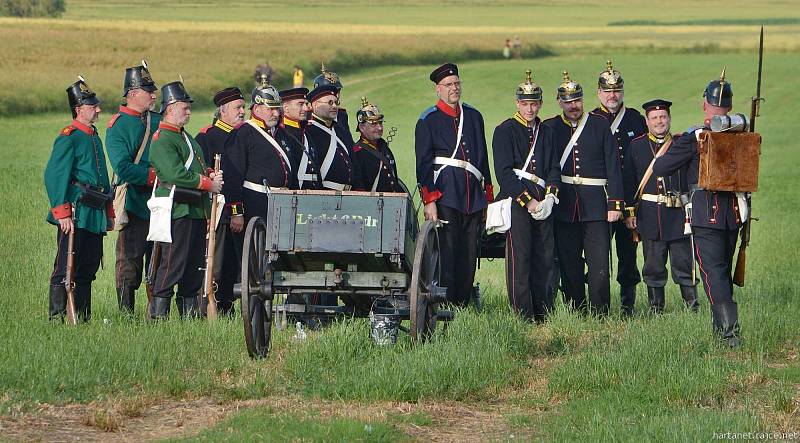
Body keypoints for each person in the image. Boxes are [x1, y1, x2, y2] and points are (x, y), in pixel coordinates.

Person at [652, 70, 744, 347]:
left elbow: (660, 167)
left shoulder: (695, 137)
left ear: (705, 103)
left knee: (712, 272)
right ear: (728, 105)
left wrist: (681, 145)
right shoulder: (744, 135)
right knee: (722, 270)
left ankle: (729, 334)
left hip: (706, 214)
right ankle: (723, 331)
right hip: (735, 213)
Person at [542, 71, 624, 316]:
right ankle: (576, 310)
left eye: (577, 100)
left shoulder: (599, 125)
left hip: (597, 205)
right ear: (559, 102)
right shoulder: (550, 127)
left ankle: (601, 313)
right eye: (568, 102)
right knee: (569, 263)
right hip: (564, 204)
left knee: (599, 264)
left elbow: (613, 166)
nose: (573, 106)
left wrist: (615, 204)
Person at [415, 63, 494, 307]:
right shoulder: (428, 119)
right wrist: (430, 201)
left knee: (470, 253)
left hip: (472, 196)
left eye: (457, 83)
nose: (454, 88)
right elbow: (424, 163)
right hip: (446, 194)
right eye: (449, 85)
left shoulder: (474, 116)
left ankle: (462, 302)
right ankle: (446, 305)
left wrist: (488, 197)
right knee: (447, 252)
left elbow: (482, 158)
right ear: (438, 90)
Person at [148, 80, 223, 319]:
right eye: (184, 107)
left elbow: (198, 165)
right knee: (172, 264)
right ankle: (159, 316)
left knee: (193, 267)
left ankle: (189, 317)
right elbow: (174, 173)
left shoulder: (185, 137)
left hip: (195, 209)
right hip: (177, 209)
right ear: (170, 108)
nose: (189, 111)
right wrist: (207, 183)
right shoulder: (163, 139)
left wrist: (210, 173)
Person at [492, 70, 560, 322]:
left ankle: (544, 312)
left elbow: (553, 168)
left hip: (543, 199)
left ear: (541, 104)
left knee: (545, 257)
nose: (530, 109)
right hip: (517, 201)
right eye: (525, 104)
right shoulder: (505, 130)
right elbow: (504, 173)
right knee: (520, 258)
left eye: (534, 104)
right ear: (517, 103)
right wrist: (528, 200)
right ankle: (523, 314)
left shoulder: (547, 132)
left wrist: (550, 197)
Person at [45, 76, 113, 322]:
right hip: (75, 211)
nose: (98, 110)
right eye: (93, 106)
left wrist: (109, 212)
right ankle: (58, 318)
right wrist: (62, 213)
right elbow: (55, 175)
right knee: (66, 266)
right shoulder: (69, 136)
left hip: (94, 210)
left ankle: (83, 318)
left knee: (88, 266)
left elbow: (103, 177)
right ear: (79, 109)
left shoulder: (93, 135)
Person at [624, 99, 699, 313]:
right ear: (647, 122)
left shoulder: (680, 144)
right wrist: (629, 212)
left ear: (669, 119)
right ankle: (656, 310)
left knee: (684, 265)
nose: (659, 121)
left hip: (678, 215)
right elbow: (629, 181)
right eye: (654, 118)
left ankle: (692, 308)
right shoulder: (636, 146)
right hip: (650, 216)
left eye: (663, 117)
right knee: (653, 267)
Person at [592, 60, 647, 316]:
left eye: (616, 91)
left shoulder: (635, 119)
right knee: (598, 255)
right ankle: (598, 306)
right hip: (601, 200)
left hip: (630, 199)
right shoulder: (590, 121)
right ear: (599, 93)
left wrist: (635, 205)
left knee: (628, 255)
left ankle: (628, 305)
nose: (612, 95)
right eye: (607, 91)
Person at [106, 61, 160, 314]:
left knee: (159, 259)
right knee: (129, 260)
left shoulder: (158, 120)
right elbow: (123, 167)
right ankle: (126, 312)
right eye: (148, 90)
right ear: (133, 94)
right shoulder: (118, 126)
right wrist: (154, 176)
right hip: (135, 202)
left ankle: (156, 312)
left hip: (162, 202)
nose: (153, 94)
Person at [195, 87, 246, 316]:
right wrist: (234, 210)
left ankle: (226, 305)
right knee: (216, 264)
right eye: (238, 108)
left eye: (243, 107)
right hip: (219, 211)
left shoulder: (243, 135)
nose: (243, 112)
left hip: (239, 210)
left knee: (234, 265)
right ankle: (209, 306)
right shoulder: (207, 138)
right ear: (223, 111)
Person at [223, 79, 296, 230]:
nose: (276, 113)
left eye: (278, 109)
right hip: (255, 204)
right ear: (256, 109)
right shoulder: (242, 133)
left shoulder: (282, 134)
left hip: (283, 204)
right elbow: (232, 175)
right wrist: (236, 212)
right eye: (271, 109)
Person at [305, 84, 362, 191]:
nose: (334, 106)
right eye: (330, 103)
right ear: (316, 105)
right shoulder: (309, 131)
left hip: (348, 194)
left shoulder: (340, 130)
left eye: (336, 102)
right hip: (324, 193)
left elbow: (354, 162)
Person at [351, 97, 402, 193]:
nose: (379, 128)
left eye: (380, 123)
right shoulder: (357, 153)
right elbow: (358, 188)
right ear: (362, 127)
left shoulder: (384, 148)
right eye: (374, 124)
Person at [280, 86, 322, 190]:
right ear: (286, 108)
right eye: (300, 104)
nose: (306, 108)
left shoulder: (305, 132)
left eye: (306, 104)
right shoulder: (281, 133)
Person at [312, 62, 350, 134]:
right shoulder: (307, 119)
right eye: (330, 93)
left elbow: (348, 142)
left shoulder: (341, 115)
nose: (337, 96)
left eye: (338, 91)